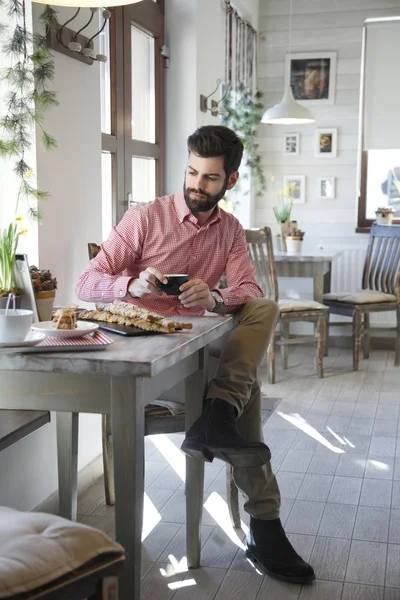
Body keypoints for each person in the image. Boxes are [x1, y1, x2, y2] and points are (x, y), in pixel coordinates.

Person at [76, 125, 315, 584]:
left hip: (197, 353)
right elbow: (86, 282)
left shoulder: (229, 231)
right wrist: (129, 284)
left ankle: (220, 412)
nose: (195, 185)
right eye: (191, 172)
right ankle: (264, 522)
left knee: (262, 307)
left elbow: (250, 290)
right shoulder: (145, 218)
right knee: (248, 392)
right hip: (145, 361)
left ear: (231, 180)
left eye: (209, 178)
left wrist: (216, 297)